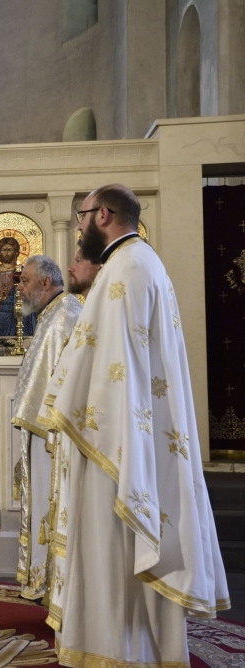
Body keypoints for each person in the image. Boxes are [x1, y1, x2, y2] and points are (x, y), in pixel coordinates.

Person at [42, 184, 228, 667]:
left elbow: (108, 366)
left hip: (116, 440)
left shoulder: (123, 269)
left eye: (81, 216)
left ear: (102, 214)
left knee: (110, 553)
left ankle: (116, 653)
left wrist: (64, 409)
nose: (79, 226)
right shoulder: (145, 261)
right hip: (135, 434)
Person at [9, 255, 82, 601]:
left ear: (45, 283)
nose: (19, 288)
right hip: (42, 430)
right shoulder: (54, 314)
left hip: (49, 433)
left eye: (24, 281)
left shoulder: (61, 318)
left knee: (46, 500)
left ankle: (49, 582)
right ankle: (42, 578)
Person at [0, 236, 36, 336]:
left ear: (16, 252)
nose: (6, 253)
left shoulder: (23, 272)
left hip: (18, 317)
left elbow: (34, 294)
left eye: (9, 250)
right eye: (4, 250)